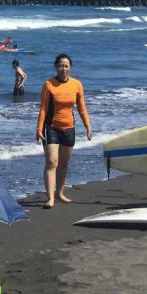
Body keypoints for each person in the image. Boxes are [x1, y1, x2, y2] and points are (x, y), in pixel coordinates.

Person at [36, 53, 91, 208]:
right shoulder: (48, 84)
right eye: (61, 65)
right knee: (52, 161)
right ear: (56, 66)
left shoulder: (77, 84)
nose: (63, 68)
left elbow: (81, 108)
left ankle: (60, 193)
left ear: (70, 67)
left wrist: (88, 126)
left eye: (66, 66)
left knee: (64, 163)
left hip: (69, 128)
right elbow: (43, 109)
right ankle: (50, 198)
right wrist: (38, 128)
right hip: (51, 127)